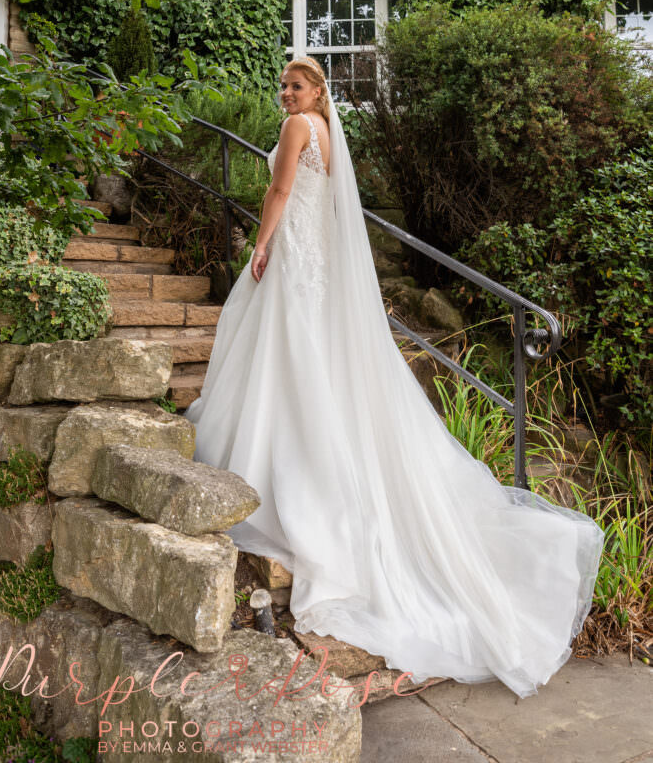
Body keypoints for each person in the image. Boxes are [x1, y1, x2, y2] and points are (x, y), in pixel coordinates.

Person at [184, 56, 605, 699]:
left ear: (316, 91)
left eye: (294, 86)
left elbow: (279, 192)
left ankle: (279, 467)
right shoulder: (327, 132)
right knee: (297, 365)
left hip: (296, 258)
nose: (285, 94)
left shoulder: (301, 128)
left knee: (285, 359)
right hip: (315, 261)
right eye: (283, 86)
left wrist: (261, 245)